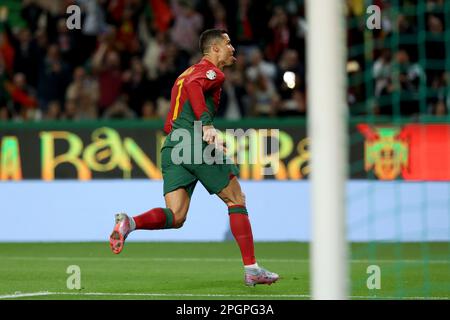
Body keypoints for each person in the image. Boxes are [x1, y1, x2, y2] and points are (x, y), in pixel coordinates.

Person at [109, 29, 279, 286]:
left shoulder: (184, 73)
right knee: (236, 199)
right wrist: (207, 125)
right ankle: (252, 268)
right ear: (215, 49)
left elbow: (177, 108)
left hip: (173, 146)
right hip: (194, 141)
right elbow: (194, 87)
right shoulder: (211, 73)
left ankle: (130, 223)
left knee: (176, 216)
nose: (233, 48)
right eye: (228, 43)